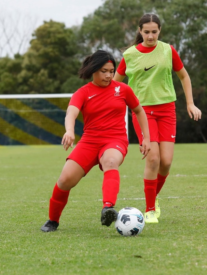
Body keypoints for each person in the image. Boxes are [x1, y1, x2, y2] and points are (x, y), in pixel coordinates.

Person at [41, 50, 151, 232]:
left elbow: (139, 110)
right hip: (89, 141)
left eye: (111, 70)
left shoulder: (123, 89)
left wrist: (145, 137)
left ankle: (108, 208)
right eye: (103, 71)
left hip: (115, 139)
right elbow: (71, 113)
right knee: (65, 180)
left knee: (110, 161)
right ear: (93, 70)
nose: (108, 75)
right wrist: (69, 131)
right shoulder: (82, 92)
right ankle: (53, 220)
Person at [114, 13, 202, 224]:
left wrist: (190, 103)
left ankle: (153, 199)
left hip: (167, 110)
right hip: (142, 112)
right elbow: (116, 85)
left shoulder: (168, 50)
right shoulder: (130, 55)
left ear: (159, 30)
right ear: (140, 31)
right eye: (146, 32)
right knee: (153, 159)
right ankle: (150, 210)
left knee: (166, 162)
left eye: (154, 31)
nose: (151, 36)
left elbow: (184, 76)